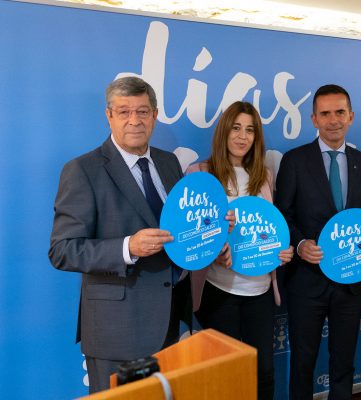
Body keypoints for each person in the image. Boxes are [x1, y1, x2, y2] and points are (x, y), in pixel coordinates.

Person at [48, 77, 190, 393]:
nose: (134, 120)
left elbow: (178, 228)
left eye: (142, 111)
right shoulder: (83, 169)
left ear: (155, 115)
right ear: (109, 115)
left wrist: (213, 225)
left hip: (169, 321)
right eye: (124, 111)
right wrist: (128, 247)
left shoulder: (168, 163)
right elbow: (63, 250)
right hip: (117, 328)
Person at [274, 84, 361, 400]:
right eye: (325, 113)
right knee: (303, 362)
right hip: (306, 281)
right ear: (314, 119)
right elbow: (282, 215)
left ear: (351, 116)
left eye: (340, 112)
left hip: (350, 281)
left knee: (343, 362)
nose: (333, 120)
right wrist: (301, 244)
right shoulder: (294, 160)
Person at [186, 101, 294, 400]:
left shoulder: (265, 176)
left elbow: (271, 231)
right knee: (227, 376)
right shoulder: (199, 173)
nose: (242, 136)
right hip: (219, 291)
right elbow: (189, 237)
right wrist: (214, 249)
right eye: (236, 128)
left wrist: (282, 252)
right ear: (224, 131)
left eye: (250, 130)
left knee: (264, 372)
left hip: (259, 290)